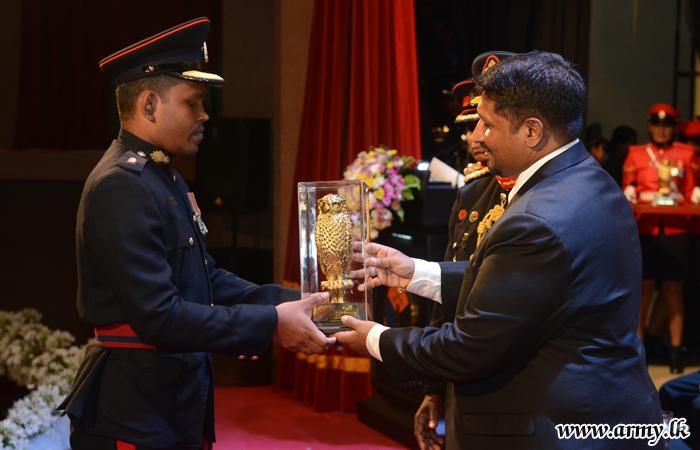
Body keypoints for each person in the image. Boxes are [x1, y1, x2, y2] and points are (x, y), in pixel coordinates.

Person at [337, 51, 663, 449]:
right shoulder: (586, 178)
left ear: (532, 131)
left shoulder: (537, 218)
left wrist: (375, 339)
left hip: (554, 427)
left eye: (488, 125)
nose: (477, 136)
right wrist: (416, 273)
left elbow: (469, 349)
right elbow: (535, 289)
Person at [57, 18, 335, 450]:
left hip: (168, 403)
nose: (205, 115)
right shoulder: (121, 184)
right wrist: (271, 324)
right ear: (149, 105)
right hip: (133, 412)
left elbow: (206, 279)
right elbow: (159, 314)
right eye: (193, 102)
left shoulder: (163, 177)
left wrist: (296, 301)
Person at [621, 103, 698, 373]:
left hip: (677, 228)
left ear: (674, 128)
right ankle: (637, 354)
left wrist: (696, 193)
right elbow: (628, 184)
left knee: (674, 291)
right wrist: (628, 190)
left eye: (666, 126)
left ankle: (676, 353)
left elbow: (690, 192)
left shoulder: (687, 154)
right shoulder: (636, 153)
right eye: (656, 125)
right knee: (643, 291)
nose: (661, 130)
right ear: (650, 126)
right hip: (646, 228)